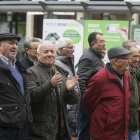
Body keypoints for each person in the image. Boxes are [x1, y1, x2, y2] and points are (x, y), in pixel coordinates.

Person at [27, 41, 79, 140]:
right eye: (46, 52)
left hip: (62, 128)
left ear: (56, 54)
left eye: (52, 51)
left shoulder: (62, 73)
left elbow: (73, 101)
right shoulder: (31, 72)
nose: (50, 54)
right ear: (38, 55)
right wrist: (50, 84)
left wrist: (70, 90)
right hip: (42, 130)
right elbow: (32, 96)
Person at [82, 46, 132, 140]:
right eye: (126, 58)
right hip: (103, 134)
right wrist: (105, 120)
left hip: (121, 132)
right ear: (116, 61)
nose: (129, 61)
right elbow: (87, 103)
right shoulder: (100, 79)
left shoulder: (125, 75)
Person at [0, 33, 32, 139]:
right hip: (4, 127)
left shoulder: (18, 66)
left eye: (16, 44)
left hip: (22, 126)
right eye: (11, 43)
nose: (15, 46)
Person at [77, 32, 106, 140]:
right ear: (93, 44)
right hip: (89, 103)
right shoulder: (87, 58)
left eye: (104, 41)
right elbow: (82, 81)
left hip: (95, 101)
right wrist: (86, 101)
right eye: (101, 41)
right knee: (85, 131)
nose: (104, 44)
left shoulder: (96, 57)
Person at [55, 38, 80, 137]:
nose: (73, 50)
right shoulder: (57, 64)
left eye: (73, 47)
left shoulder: (68, 61)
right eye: (70, 47)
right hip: (67, 111)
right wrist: (68, 107)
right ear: (61, 50)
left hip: (72, 109)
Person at [123, 45, 140, 140]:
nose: (137, 59)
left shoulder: (133, 70)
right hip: (129, 115)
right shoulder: (126, 73)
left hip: (134, 115)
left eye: (138, 56)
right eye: (134, 56)